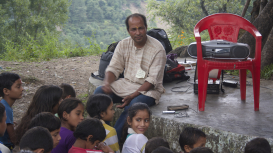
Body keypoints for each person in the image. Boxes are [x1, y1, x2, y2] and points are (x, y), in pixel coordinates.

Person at [93, 13, 166, 140]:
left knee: (133, 106)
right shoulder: (123, 44)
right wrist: (106, 84)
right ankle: (102, 132)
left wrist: (132, 95)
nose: (138, 32)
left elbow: (152, 81)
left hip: (148, 91)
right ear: (128, 31)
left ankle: (113, 139)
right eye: (133, 29)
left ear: (146, 27)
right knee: (99, 94)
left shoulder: (158, 49)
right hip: (126, 84)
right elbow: (114, 68)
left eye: (141, 28)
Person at [0, 72, 23, 150]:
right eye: (18, 86)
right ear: (6, 91)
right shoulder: (6, 109)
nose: (22, 89)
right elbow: (13, 138)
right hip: (6, 147)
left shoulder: (3, 104)